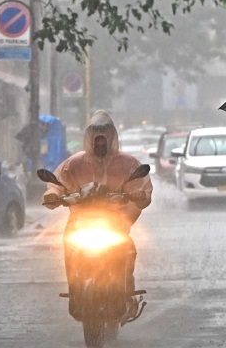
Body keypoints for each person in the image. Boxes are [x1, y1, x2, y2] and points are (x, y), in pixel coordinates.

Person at [42, 110, 152, 295]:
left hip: (115, 220)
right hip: (81, 221)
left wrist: (139, 195)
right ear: (89, 139)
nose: (100, 143)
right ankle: (74, 286)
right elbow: (58, 183)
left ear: (112, 138)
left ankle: (125, 285)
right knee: (69, 245)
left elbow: (142, 185)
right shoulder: (75, 163)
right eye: (96, 138)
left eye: (104, 139)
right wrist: (53, 194)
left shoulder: (128, 163)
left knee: (127, 248)